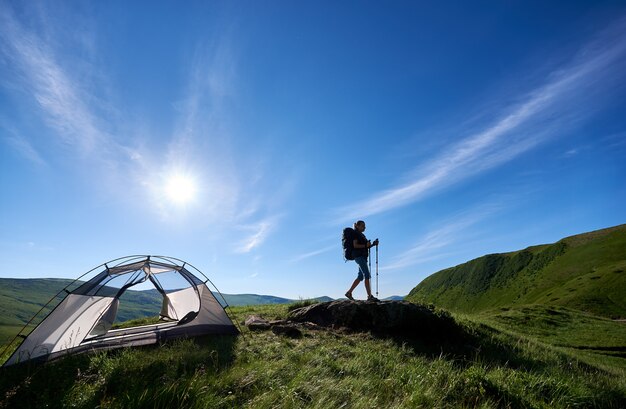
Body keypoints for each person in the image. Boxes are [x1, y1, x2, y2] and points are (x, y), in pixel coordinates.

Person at [345, 220, 379, 302]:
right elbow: (355, 245)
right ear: (357, 226)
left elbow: (365, 246)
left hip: (362, 257)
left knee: (360, 277)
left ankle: (349, 293)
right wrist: (365, 245)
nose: (364, 227)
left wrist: (373, 244)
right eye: (363, 226)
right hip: (359, 256)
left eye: (365, 226)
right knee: (367, 275)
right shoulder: (355, 234)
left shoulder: (361, 235)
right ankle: (369, 296)